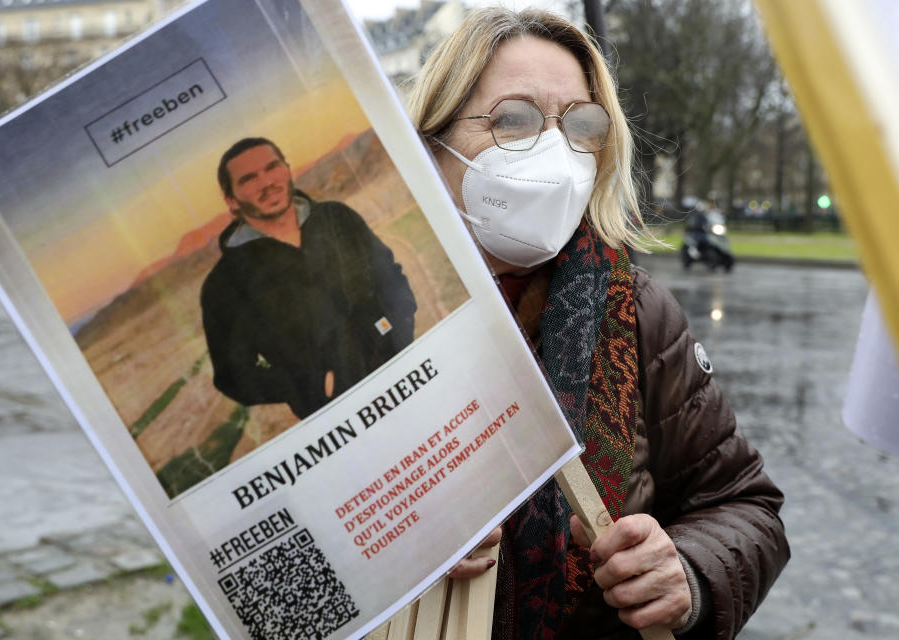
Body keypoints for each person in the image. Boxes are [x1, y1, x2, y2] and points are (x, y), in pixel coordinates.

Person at [408, 8, 788, 639]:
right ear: (432, 141)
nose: (556, 150)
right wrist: (376, 548)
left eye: (581, 125)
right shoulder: (358, 314)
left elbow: (744, 504)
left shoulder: (638, 314)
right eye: (513, 119)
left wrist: (687, 572)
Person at [200, 137, 417, 419]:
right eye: (249, 179)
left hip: (405, 373)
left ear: (287, 170)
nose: (266, 182)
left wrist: (401, 329)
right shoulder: (224, 284)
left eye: (272, 167)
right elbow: (232, 375)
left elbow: (391, 279)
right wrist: (308, 384)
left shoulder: (338, 218)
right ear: (231, 200)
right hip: (337, 417)